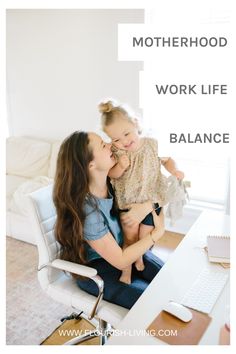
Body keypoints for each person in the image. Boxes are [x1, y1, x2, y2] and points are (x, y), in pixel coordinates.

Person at [53, 131, 165, 310]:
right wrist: (155, 235)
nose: (110, 145)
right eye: (102, 145)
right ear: (90, 164)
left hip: (124, 251)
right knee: (153, 305)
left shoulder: (114, 183)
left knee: (170, 282)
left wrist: (147, 206)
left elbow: (155, 193)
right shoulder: (87, 210)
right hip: (98, 270)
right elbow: (120, 261)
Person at [99, 100, 184, 284]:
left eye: (127, 134)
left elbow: (168, 160)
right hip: (128, 202)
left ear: (136, 124)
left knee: (145, 233)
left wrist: (174, 171)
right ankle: (126, 271)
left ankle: (140, 256)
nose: (124, 142)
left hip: (151, 200)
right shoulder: (117, 151)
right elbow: (111, 174)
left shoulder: (152, 144)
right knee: (130, 237)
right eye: (116, 139)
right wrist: (120, 167)